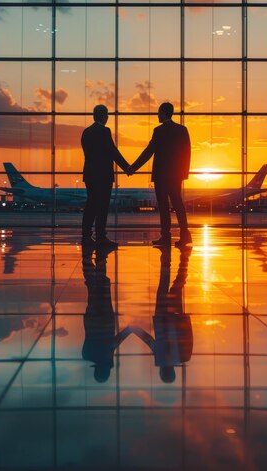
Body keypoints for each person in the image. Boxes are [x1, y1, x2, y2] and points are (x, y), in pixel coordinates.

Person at [127, 102, 192, 247]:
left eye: (158, 112)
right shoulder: (182, 130)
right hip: (176, 175)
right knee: (178, 204)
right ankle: (185, 235)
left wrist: (132, 168)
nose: (157, 115)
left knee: (163, 207)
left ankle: (166, 236)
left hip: (161, 176)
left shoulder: (159, 131)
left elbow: (148, 153)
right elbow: (187, 153)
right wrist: (183, 173)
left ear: (163, 113)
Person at [131, 245, 193, 383]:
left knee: (176, 287)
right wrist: (132, 329)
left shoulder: (183, 357)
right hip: (161, 317)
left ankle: (183, 260)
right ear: (162, 371)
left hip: (176, 318)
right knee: (164, 284)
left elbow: (188, 338)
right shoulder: (161, 357)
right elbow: (149, 340)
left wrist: (184, 320)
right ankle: (168, 257)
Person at [81, 104, 130, 248]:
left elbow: (88, 153)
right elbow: (112, 151)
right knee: (102, 207)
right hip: (103, 175)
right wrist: (127, 167)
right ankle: (101, 237)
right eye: (107, 114)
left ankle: (86, 236)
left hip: (89, 174)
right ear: (104, 116)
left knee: (90, 205)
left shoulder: (86, 132)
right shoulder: (104, 131)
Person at [81, 246, 132, 383]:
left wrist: (131, 329)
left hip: (106, 319)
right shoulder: (87, 355)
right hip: (92, 319)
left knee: (101, 285)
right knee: (92, 288)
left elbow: (115, 341)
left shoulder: (105, 355)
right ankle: (88, 258)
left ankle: (99, 257)